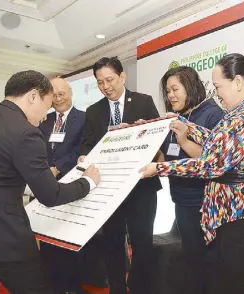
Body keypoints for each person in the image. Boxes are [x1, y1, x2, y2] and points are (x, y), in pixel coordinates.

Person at [142, 53, 244, 294]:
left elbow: (210, 164)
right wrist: (186, 126)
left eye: (219, 86)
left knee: (237, 284)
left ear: (238, 82)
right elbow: (221, 144)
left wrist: (159, 168)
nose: (216, 93)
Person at [0, 70, 100, 294]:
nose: (44, 116)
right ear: (33, 96)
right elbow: (51, 195)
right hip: (5, 238)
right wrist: (88, 182)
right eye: (47, 105)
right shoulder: (25, 133)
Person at [80, 56, 161, 294]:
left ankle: (138, 288)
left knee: (142, 245)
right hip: (109, 190)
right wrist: (84, 158)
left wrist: (141, 133)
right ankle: (116, 289)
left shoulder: (144, 102)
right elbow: (86, 146)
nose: (106, 86)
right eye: (100, 82)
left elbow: (159, 139)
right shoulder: (94, 111)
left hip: (141, 189)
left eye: (110, 80)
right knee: (113, 245)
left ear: (122, 77)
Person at [159, 66, 224, 294]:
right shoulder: (179, 116)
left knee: (205, 264)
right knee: (192, 261)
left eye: (175, 89)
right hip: (182, 200)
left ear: (190, 87)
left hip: (203, 202)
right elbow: (167, 155)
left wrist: (185, 140)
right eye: (167, 91)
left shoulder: (212, 114)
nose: (170, 96)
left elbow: (212, 161)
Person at [39, 77, 89, 294]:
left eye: (62, 94)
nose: (58, 99)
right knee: (47, 239)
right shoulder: (43, 120)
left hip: (70, 187)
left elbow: (81, 149)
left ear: (71, 92)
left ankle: (71, 286)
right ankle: (52, 285)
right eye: (54, 95)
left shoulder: (85, 118)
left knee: (68, 240)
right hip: (44, 187)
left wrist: (57, 167)